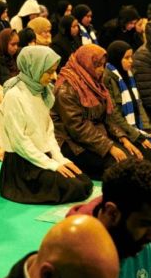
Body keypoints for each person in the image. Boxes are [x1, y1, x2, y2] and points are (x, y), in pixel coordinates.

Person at [0, 46, 92, 204]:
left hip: (41, 155)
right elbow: (20, 142)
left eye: (54, 70)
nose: (53, 76)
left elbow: (48, 132)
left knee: (83, 182)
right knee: (72, 188)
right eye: (48, 71)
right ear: (33, 68)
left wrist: (60, 159)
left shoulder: (42, 92)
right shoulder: (14, 96)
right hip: (22, 165)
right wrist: (51, 165)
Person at [52, 44, 134, 180]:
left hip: (95, 137)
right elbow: (78, 128)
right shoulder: (66, 89)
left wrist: (123, 138)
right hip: (72, 144)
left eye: (103, 65)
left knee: (134, 154)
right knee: (119, 168)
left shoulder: (94, 82)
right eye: (97, 65)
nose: (101, 70)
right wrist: (109, 147)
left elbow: (107, 117)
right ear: (85, 63)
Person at [103, 41, 151, 165]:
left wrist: (147, 130)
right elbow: (115, 116)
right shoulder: (108, 79)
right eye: (126, 58)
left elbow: (138, 105)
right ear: (117, 58)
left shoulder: (129, 74)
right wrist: (137, 136)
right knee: (149, 153)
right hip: (124, 131)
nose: (131, 61)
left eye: (131, 57)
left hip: (137, 127)